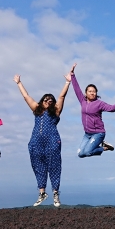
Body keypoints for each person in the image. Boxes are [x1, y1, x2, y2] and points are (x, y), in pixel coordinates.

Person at [13, 70, 71, 207]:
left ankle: (56, 194)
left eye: (51, 100)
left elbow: (62, 97)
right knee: (38, 166)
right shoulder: (37, 110)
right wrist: (19, 83)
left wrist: (68, 82)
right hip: (35, 142)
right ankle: (42, 193)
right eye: (46, 99)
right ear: (42, 101)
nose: (48, 101)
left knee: (54, 166)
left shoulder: (56, 111)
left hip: (52, 141)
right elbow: (26, 96)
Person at [69, 63, 115, 157]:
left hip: (98, 133)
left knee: (87, 152)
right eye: (90, 91)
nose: (92, 93)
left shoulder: (99, 103)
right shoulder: (82, 100)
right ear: (86, 93)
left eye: (94, 91)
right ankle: (102, 146)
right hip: (87, 134)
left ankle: (104, 148)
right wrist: (72, 75)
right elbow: (76, 88)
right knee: (80, 154)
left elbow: (112, 109)